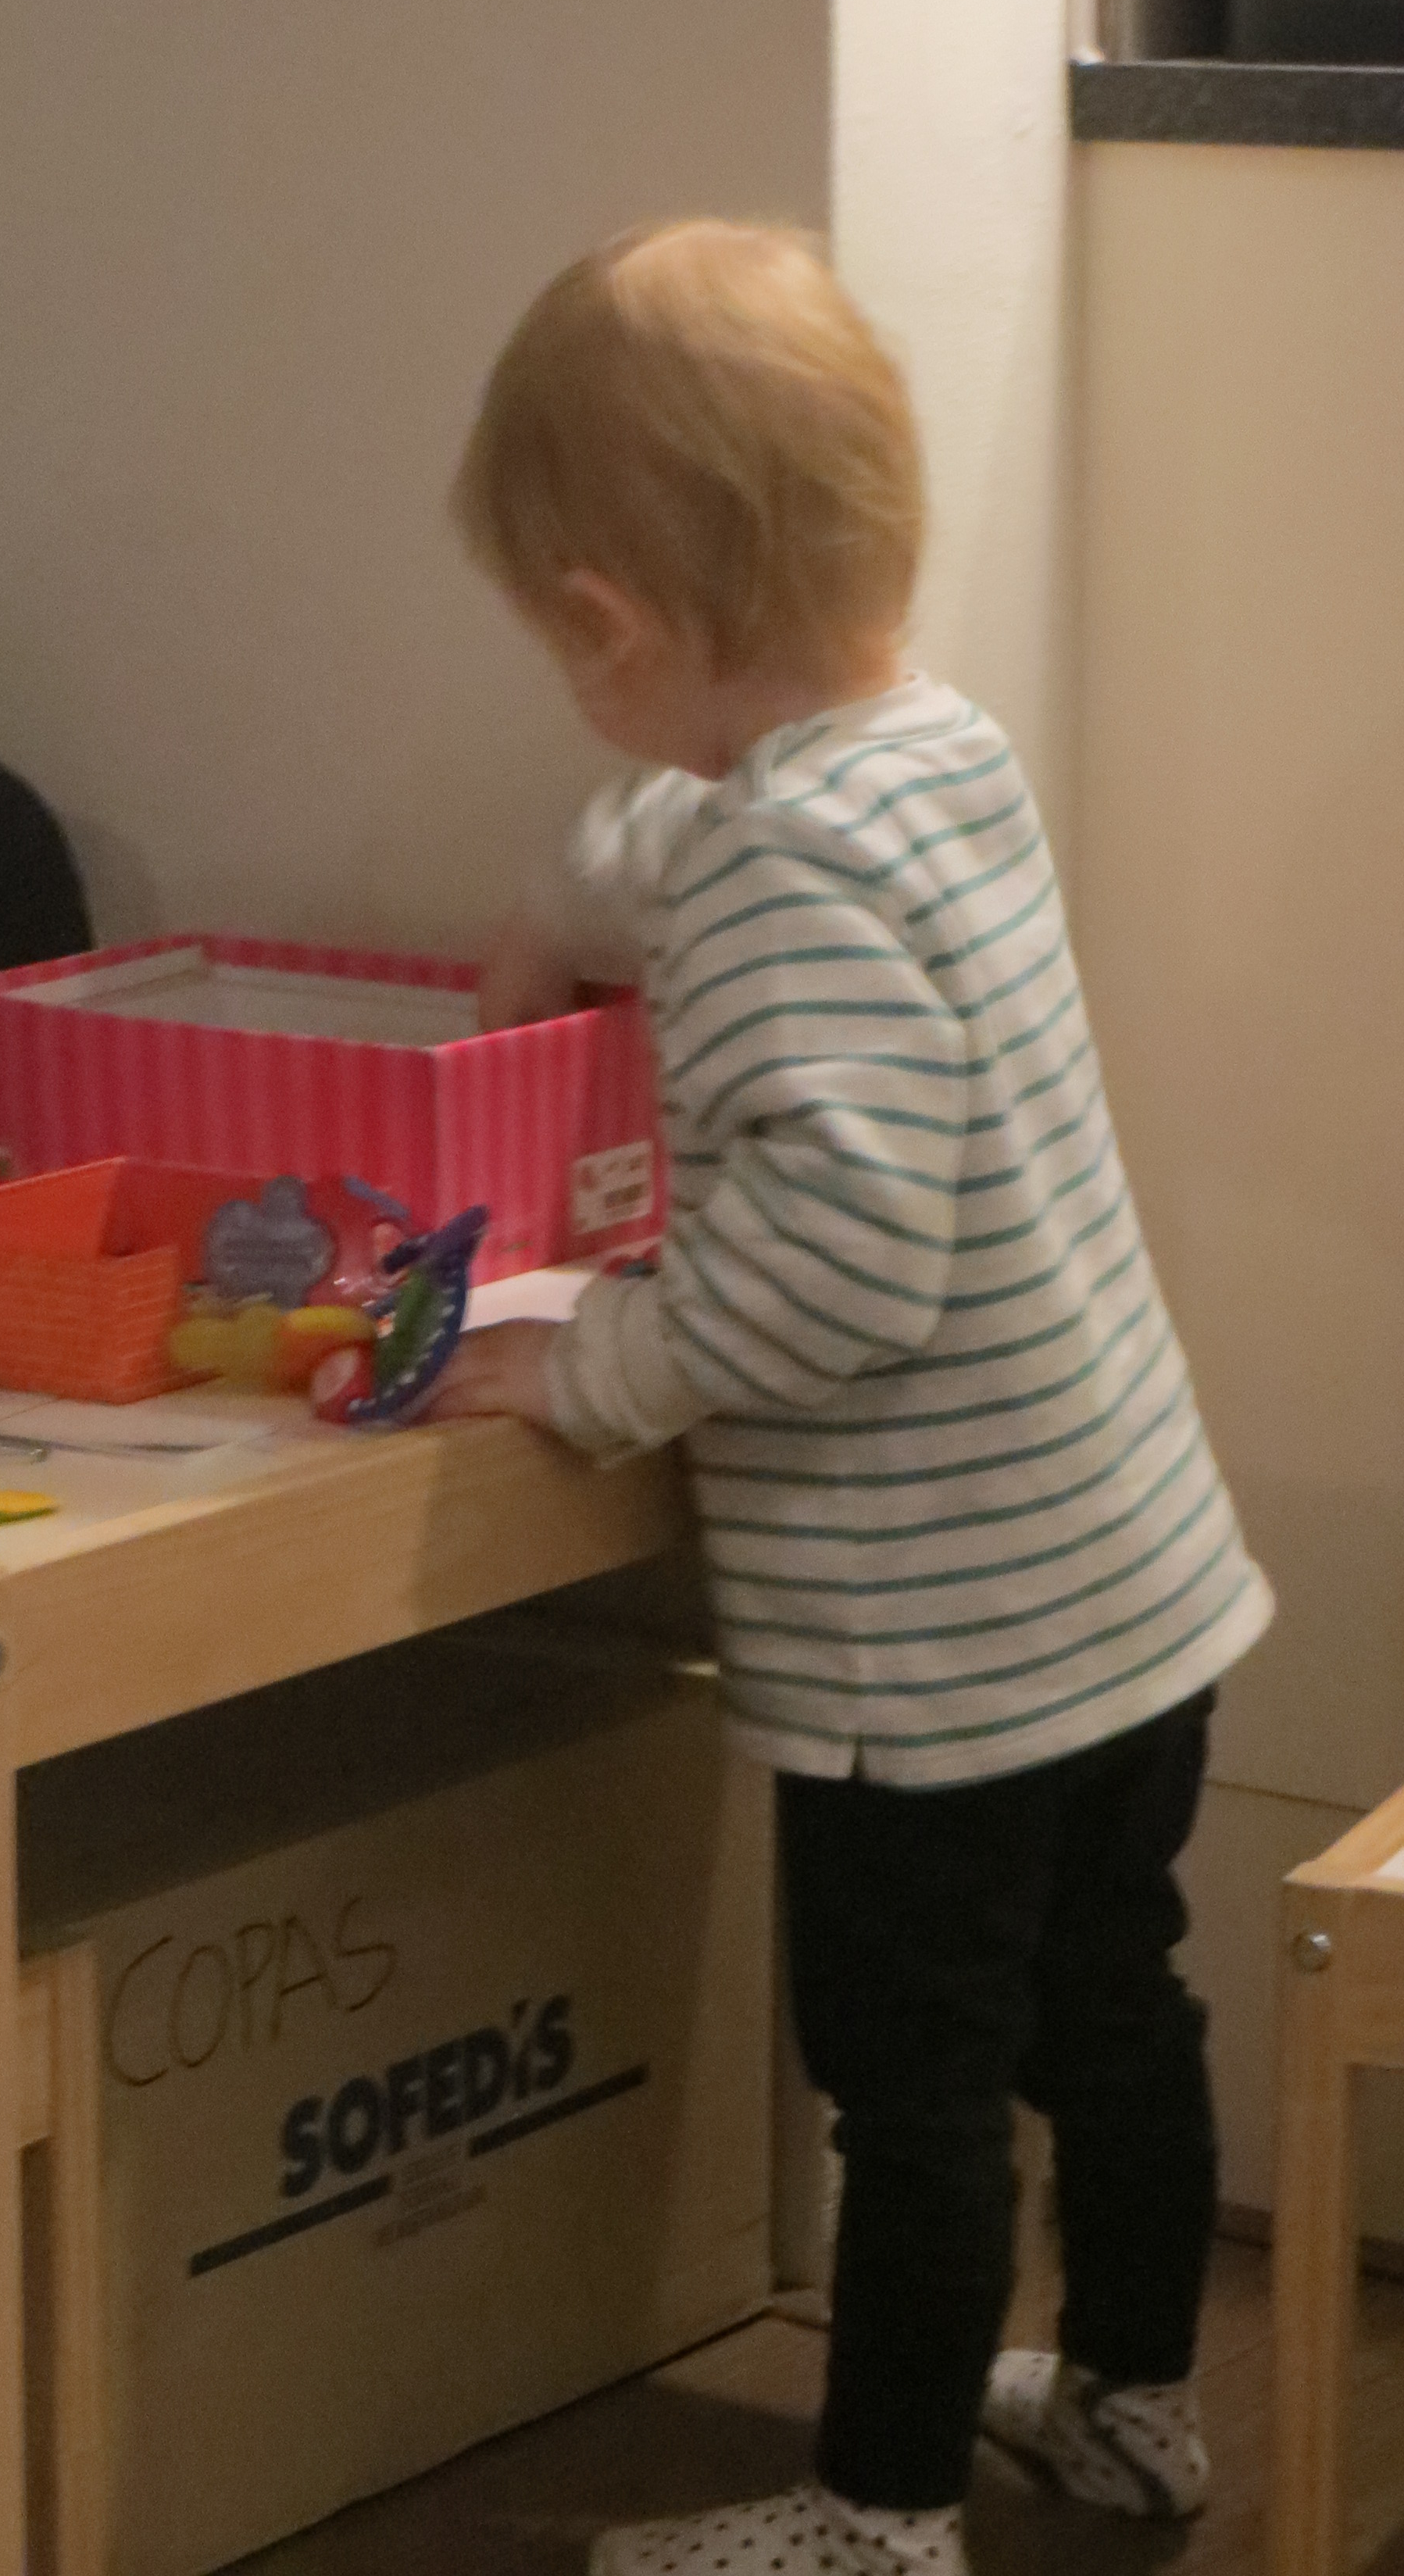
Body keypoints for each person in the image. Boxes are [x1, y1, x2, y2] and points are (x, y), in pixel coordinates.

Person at [424, 220, 1274, 2576]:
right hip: (1120, 1574)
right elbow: (696, 839)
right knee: (1115, 2008)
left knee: (912, 2092)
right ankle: (1131, 2403)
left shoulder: (773, 876)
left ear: (604, 623)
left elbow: (840, 1263)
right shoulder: (930, 758)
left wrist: (588, 1365)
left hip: (940, 1656)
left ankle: (875, 2513)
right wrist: (565, 913)